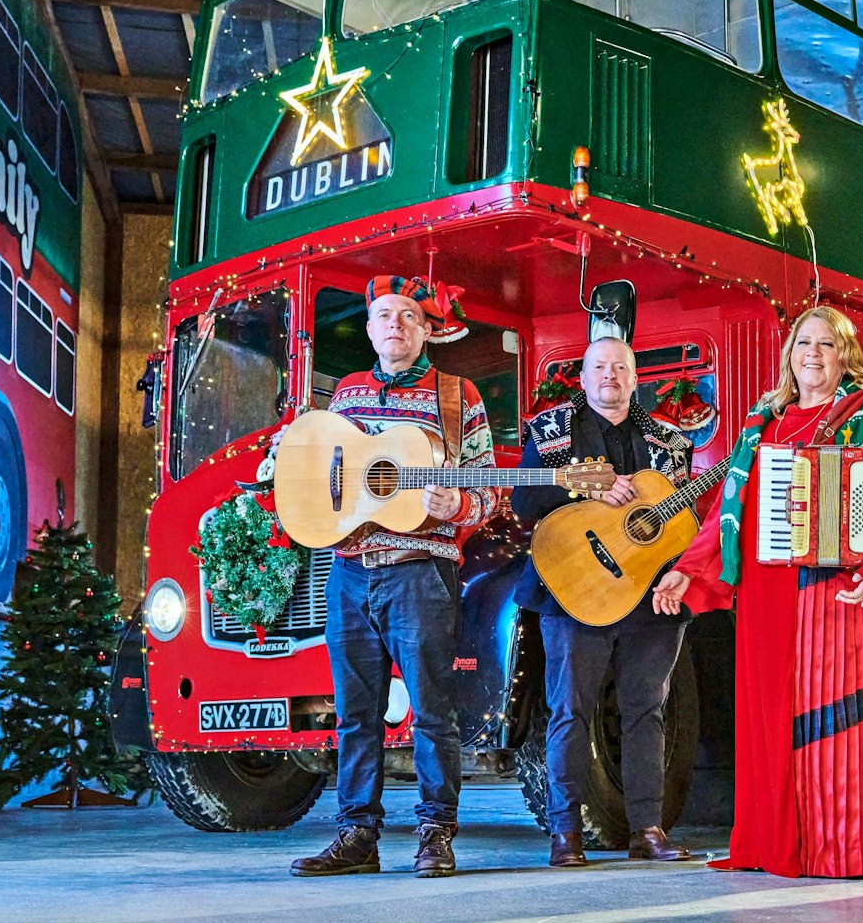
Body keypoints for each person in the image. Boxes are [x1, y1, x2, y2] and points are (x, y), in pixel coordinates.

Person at [652, 307, 863, 878]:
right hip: (768, 596)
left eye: (826, 344)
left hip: (837, 592)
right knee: (771, 720)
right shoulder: (761, 425)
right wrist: (689, 571)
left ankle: (838, 849)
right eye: (803, 343)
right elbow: (729, 513)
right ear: (789, 355)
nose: (812, 354)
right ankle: (775, 842)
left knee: (835, 724)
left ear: (846, 356)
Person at [286, 274, 497, 879]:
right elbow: (326, 466)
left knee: (432, 712)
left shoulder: (457, 396)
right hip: (350, 573)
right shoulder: (347, 392)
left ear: (426, 329)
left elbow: (487, 488)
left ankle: (436, 834)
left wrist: (457, 505)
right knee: (355, 714)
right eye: (384, 315)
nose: (395, 325)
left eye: (408, 315)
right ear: (371, 329)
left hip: (420, 575)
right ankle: (357, 836)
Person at [512, 336, 699, 867]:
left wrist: (683, 571)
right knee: (569, 710)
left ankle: (647, 829)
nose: (610, 375)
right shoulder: (550, 430)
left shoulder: (670, 441)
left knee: (647, 711)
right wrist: (587, 490)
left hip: (648, 592)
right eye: (599, 367)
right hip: (574, 590)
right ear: (584, 377)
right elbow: (524, 499)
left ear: (635, 378)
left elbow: (678, 521)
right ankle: (565, 832)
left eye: (620, 367)